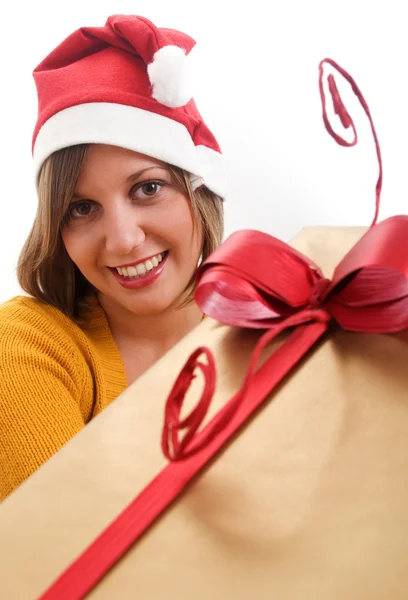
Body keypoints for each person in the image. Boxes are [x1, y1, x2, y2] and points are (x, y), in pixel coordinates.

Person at [0, 14, 225, 501]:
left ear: (199, 190)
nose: (122, 240)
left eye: (148, 187)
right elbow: (63, 546)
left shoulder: (279, 319)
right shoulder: (28, 347)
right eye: (82, 208)